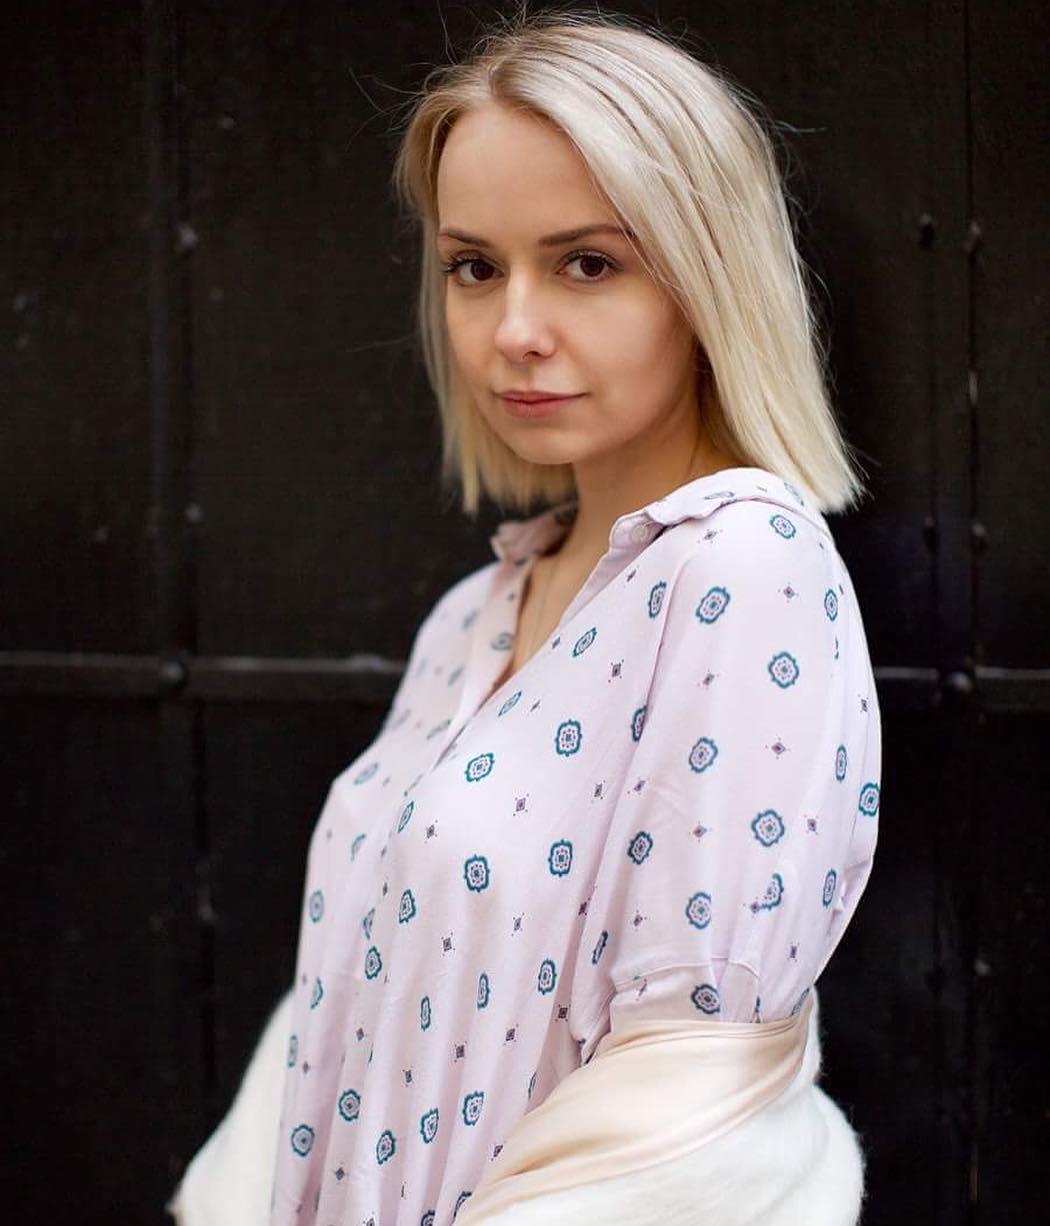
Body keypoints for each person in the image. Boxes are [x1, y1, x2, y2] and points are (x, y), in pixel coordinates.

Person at [169, 8, 882, 1225]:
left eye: (588, 263)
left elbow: (691, 1090)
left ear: (707, 275)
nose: (513, 330)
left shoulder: (745, 568)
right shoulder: (476, 611)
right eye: (474, 266)